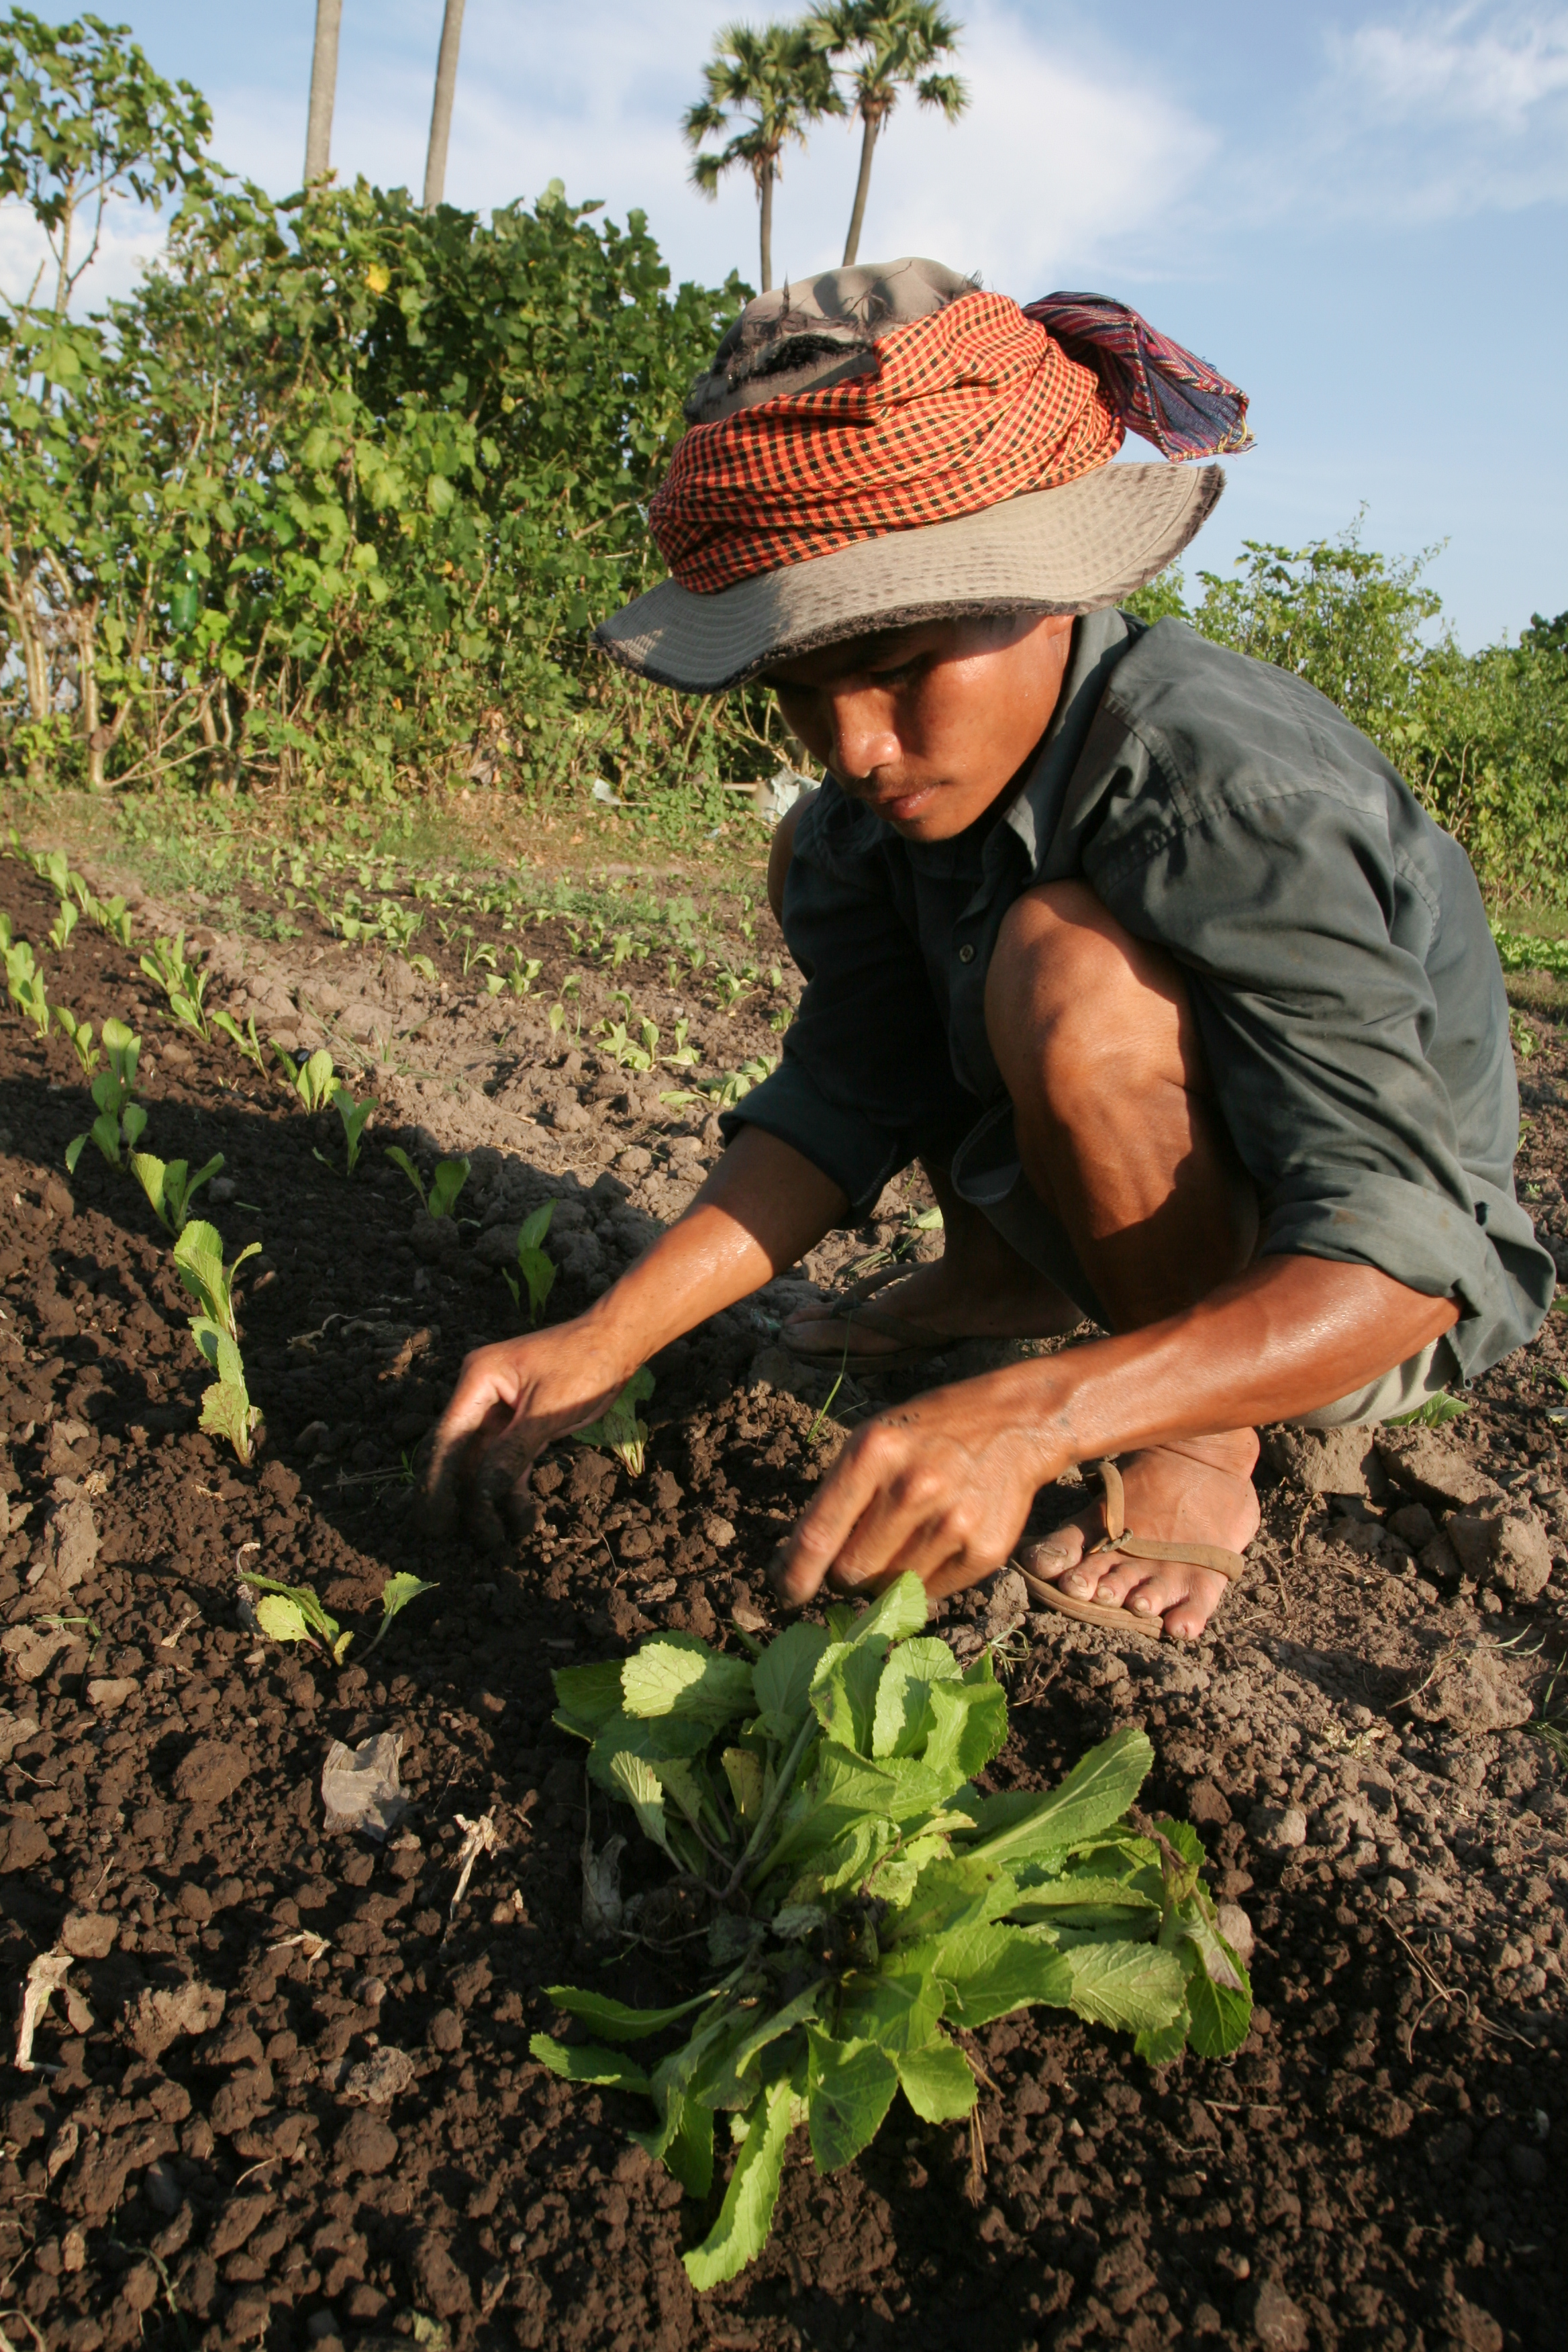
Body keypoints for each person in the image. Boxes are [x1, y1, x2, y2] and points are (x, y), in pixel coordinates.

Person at [422, 258, 1551, 1642]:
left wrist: (1038, 1415)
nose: (852, 745)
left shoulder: (1227, 792)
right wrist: (604, 1340)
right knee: (855, 866)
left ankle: (1196, 1449)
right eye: (800, 692)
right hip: (1161, 1201)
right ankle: (1001, 1277)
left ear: (1047, 590)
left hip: (1335, 1290)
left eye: (898, 666)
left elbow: (1406, 1257)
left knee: (1060, 959)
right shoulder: (874, 802)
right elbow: (844, 1099)